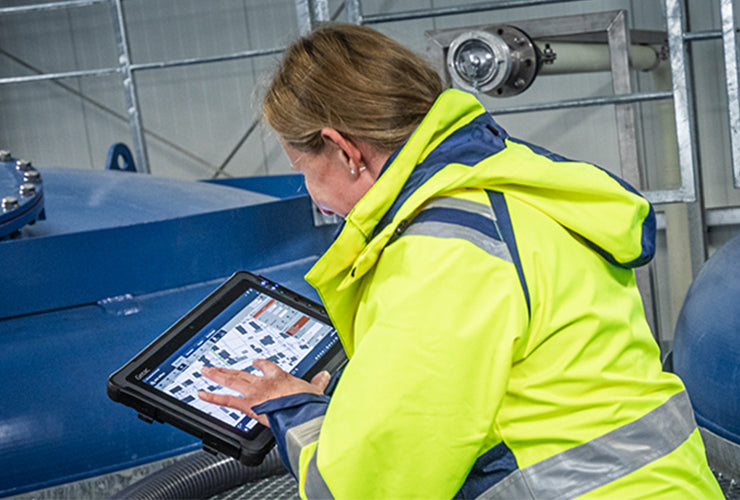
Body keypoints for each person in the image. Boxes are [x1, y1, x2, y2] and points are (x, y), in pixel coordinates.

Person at [198, 23, 723, 499]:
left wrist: (293, 411)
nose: (314, 196)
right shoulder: (515, 187)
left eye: (304, 172)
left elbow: (367, 489)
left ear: (345, 150)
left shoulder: (440, 254)